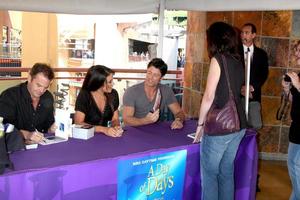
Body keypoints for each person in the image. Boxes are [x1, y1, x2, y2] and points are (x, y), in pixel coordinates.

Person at [193, 22, 247, 200]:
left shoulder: (218, 59)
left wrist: (200, 125)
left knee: (209, 176)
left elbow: (209, 96)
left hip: (220, 127)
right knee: (226, 172)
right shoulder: (238, 59)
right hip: (239, 125)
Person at [0, 63, 55, 144]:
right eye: (38, 85)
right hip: (14, 147)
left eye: (45, 87)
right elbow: (3, 128)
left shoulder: (48, 97)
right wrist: (27, 135)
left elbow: (47, 127)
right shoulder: (10, 96)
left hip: (40, 146)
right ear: (29, 78)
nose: (41, 91)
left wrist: (51, 129)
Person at [122, 58, 185, 129]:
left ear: (161, 78)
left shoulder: (166, 91)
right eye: (149, 73)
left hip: (156, 131)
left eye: (155, 75)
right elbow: (126, 120)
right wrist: (146, 120)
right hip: (134, 131)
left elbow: (179, 112)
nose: (150, 77)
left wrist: (178, 120)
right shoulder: (131, 91)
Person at [74, 65, 123, 137]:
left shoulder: (113, 94)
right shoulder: (84, 95)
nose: (113, 84)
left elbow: (115, 119)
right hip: (86, 137)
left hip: (105, 137)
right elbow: (78, 123)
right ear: (99, 83)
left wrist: (116, 126)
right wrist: (103, 129)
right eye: (110, 82)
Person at [240, 23, 269, 129]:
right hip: (237, 97)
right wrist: (241, 88)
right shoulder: (235, 53)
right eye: (242, 33)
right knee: (239, 126)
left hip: (254, 96)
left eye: (246, 33)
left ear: (253, 35)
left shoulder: (261, 54)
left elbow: (264, 74)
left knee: (256, 125)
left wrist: (252, 87)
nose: (243, 35)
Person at [282, 71, 300, 200]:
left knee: (293, 163)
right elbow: (294, 99)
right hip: (297, 128)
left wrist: (298, 86)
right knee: (294, 164)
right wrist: (287, 88)